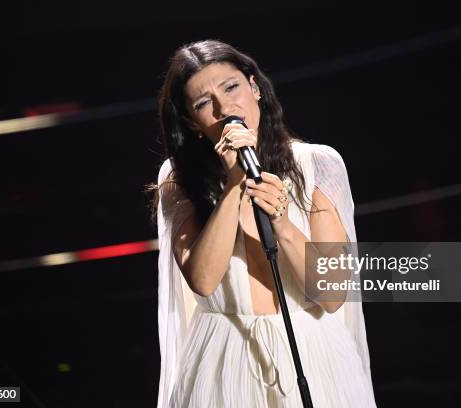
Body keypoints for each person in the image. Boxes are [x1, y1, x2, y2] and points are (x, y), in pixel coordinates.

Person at [150, 39, 376, 407]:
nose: (226, 109)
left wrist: (284, 224)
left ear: (254, 87)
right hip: (225, 359)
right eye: (205, 104)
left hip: (313, 352)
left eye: (231, 87)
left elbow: (333, 296)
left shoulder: (316, 164)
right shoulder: (179, 180)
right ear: (192, 121)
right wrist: (234, 184)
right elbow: (203, 278)